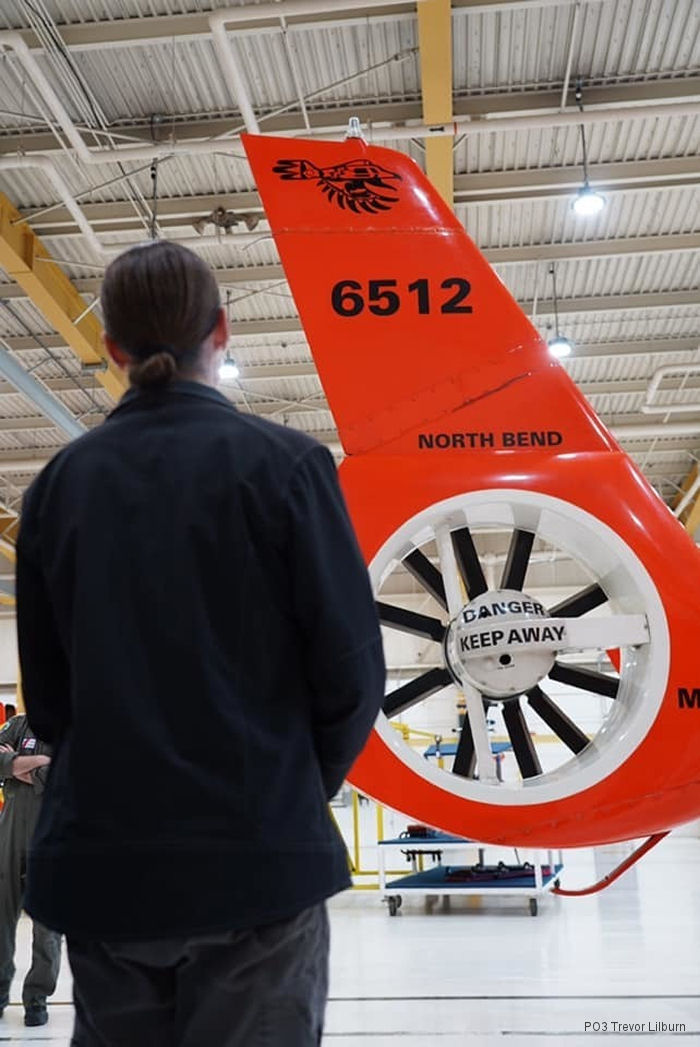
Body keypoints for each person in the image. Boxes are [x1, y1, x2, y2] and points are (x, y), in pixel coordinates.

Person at [16, 240, 385, 1046]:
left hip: (109, 870)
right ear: (221, 330)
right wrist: (288, 790)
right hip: (257, 862)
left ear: (112, 350)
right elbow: (352, 672)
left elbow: (49, 702)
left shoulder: (58, 488)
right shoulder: (287, 467)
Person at [0, 714, 61, 1027]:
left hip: (50, 836)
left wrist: (15, 764)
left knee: (47, 927)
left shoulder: (69, 724)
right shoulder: (16, 724)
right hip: (9, 832)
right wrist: (40, 762)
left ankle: (36, 998)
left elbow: (66, 774)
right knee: (0, 916)